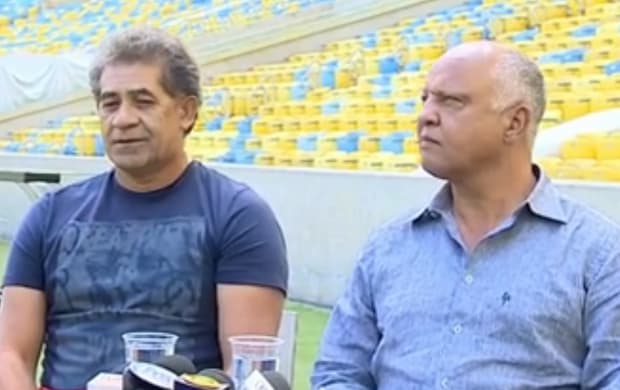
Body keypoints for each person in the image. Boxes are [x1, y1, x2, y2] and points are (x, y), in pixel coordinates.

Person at [311, 41, 620, 389]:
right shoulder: (387, 245)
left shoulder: (599, 253)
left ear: (515, 122)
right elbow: (339, 373)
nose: (426, 115)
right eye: (425, 98)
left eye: (452, 101)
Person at [0, 26, 289, 390]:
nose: (122, 119)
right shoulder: (49, 214)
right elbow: (10, 355)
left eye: (143, 101)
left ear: (186, 112)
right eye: (110, 103)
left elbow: (245, 370)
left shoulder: (238, 215)